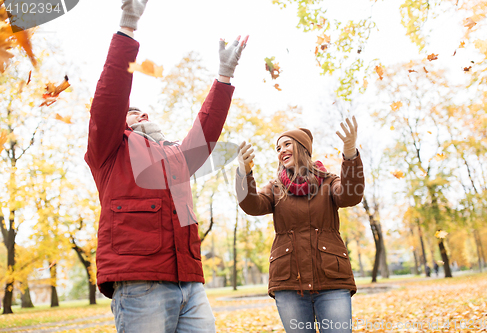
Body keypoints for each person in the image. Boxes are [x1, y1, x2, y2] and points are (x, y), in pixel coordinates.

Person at [84, 1, 248, 332]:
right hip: (141, 282)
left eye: (142, 109)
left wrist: (224, 77)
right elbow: (111, 97)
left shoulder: (176, 155)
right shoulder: (109, 149)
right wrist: (127, 26)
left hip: (189, 282)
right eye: (130, 111)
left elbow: (206, 132)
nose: (138, 112)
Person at [236, 118, 364, 333]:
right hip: (289, 284)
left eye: (287, 144)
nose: (281, 150)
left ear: (303, 148)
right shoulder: (275, 188)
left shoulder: (329, 181)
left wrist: (350, 155)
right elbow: (251, 205)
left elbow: (351, 196)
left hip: (331, 280)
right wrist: (243, 173)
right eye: (278, 147)